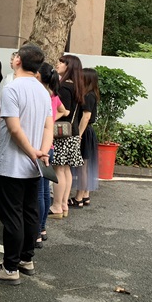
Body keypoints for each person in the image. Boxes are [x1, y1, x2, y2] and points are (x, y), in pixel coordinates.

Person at [0, 44, 53, 285]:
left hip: (13, 164)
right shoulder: (43, 90)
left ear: (19, 61)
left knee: (12, 217)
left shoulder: (12, 88)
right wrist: (42, 152)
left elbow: (13, 128)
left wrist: (32, 152)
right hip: (35, 166)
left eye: (14, 57)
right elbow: (48, 126)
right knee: (30, 212)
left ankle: (10, 268)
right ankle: (26, 259)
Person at [34, 62, 68, 248]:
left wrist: (47, 121)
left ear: (39, 75)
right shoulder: (53, 95)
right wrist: (52, 120)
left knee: (39, 191)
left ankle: (37, 233)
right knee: (45, 190)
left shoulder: (41, 95)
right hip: (50, 145)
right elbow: (64, 110)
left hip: (40, 147)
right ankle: (42, 228)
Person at [49, 54, 84, 218]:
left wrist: (49, 121)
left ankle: (57, 205)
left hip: (62, 133)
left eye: (62, 62)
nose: (58, 64)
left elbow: (65, 111)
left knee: (59, 169)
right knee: (66, 169)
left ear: (69, 67)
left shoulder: (64, 86)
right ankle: (63, 204)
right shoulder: (77, 86)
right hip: (73, 132)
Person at [70, 68, 100, 207]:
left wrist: (79, 135)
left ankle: (78, 198)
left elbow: (86, 117)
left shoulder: (88, 96)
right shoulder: (92, 94)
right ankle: (85, 195)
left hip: (84, 132)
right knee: (85, 166)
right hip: (88, 132)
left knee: (82, 166)